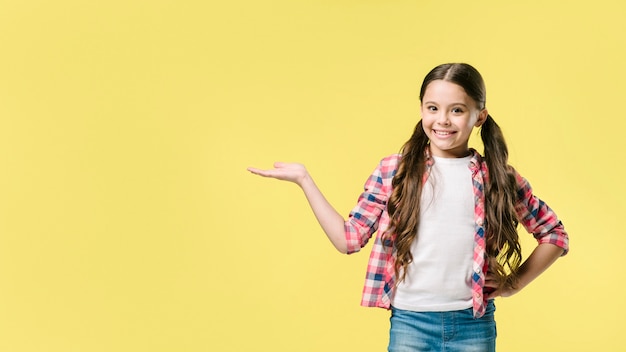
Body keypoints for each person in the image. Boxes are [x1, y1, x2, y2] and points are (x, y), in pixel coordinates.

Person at [247, 63, 569, 352]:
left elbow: (554, 234)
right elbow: (349, 239)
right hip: (409, 324)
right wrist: (304, 179)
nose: (442, 119)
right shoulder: (395, 171)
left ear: (479, 116)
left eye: (457, 110)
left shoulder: (497, 177)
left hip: (474, 325)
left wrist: (514, 284)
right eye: (433, 108)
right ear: (422, 110)